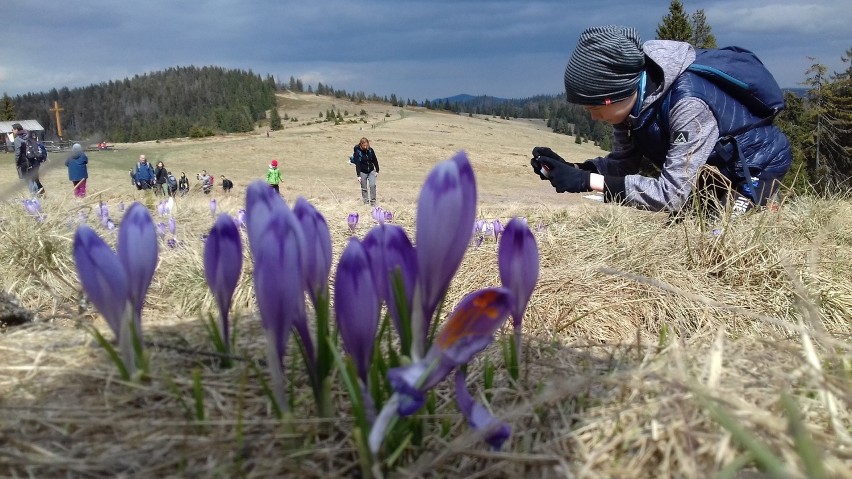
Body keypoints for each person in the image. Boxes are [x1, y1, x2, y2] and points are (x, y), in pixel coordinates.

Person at [531, 26, 791, 217]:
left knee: (716, 249)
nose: (592, 116)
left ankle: (768, 210)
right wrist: (575, 169)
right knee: (677, 245)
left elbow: (671, 195)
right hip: (707, 174)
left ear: (615, 94)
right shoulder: (630, 110)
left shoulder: (688, 103)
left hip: (752, 169)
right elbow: (625, 164)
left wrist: (586, 181)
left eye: (593, 107)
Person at [11, 123, 45, 196]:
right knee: (34, 179)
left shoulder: (18, 139)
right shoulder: (28, 135)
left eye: (13, 130)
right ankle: (39, 194)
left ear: (16, 129)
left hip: (25, 162)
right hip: (34, 160)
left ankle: (34, 196)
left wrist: (17, 162)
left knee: (29, 180)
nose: (12, 131)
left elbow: (18, 153)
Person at [352, 137, 380, 205]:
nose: (365, 147)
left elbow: (375, 160)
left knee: (372, 185)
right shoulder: (358, 152)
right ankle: (366, 203)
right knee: (364, 188)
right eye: (364, 145)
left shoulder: (370, 150)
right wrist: (358, 175)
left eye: (366, 145)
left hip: (371, 171)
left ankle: (373, 203)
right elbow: (357, 164)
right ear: (361, 145)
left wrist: (377, 170)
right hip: (362, 171)